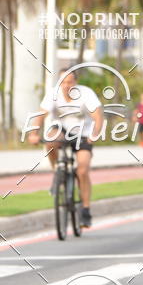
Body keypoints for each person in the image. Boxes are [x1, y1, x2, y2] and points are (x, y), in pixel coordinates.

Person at [27, 67, 103, 227]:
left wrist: (94, 134)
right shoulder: (53, 94)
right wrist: (33, 133)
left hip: (84, 132)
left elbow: (98, 117)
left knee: (82, 170)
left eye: (70, 81)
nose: (66, 85)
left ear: (76, 82)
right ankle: (57, 171)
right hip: (61, 129)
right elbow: (41, 116)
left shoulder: (86, 93)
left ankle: (86, 210)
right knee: (50, 140)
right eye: (63, 82)